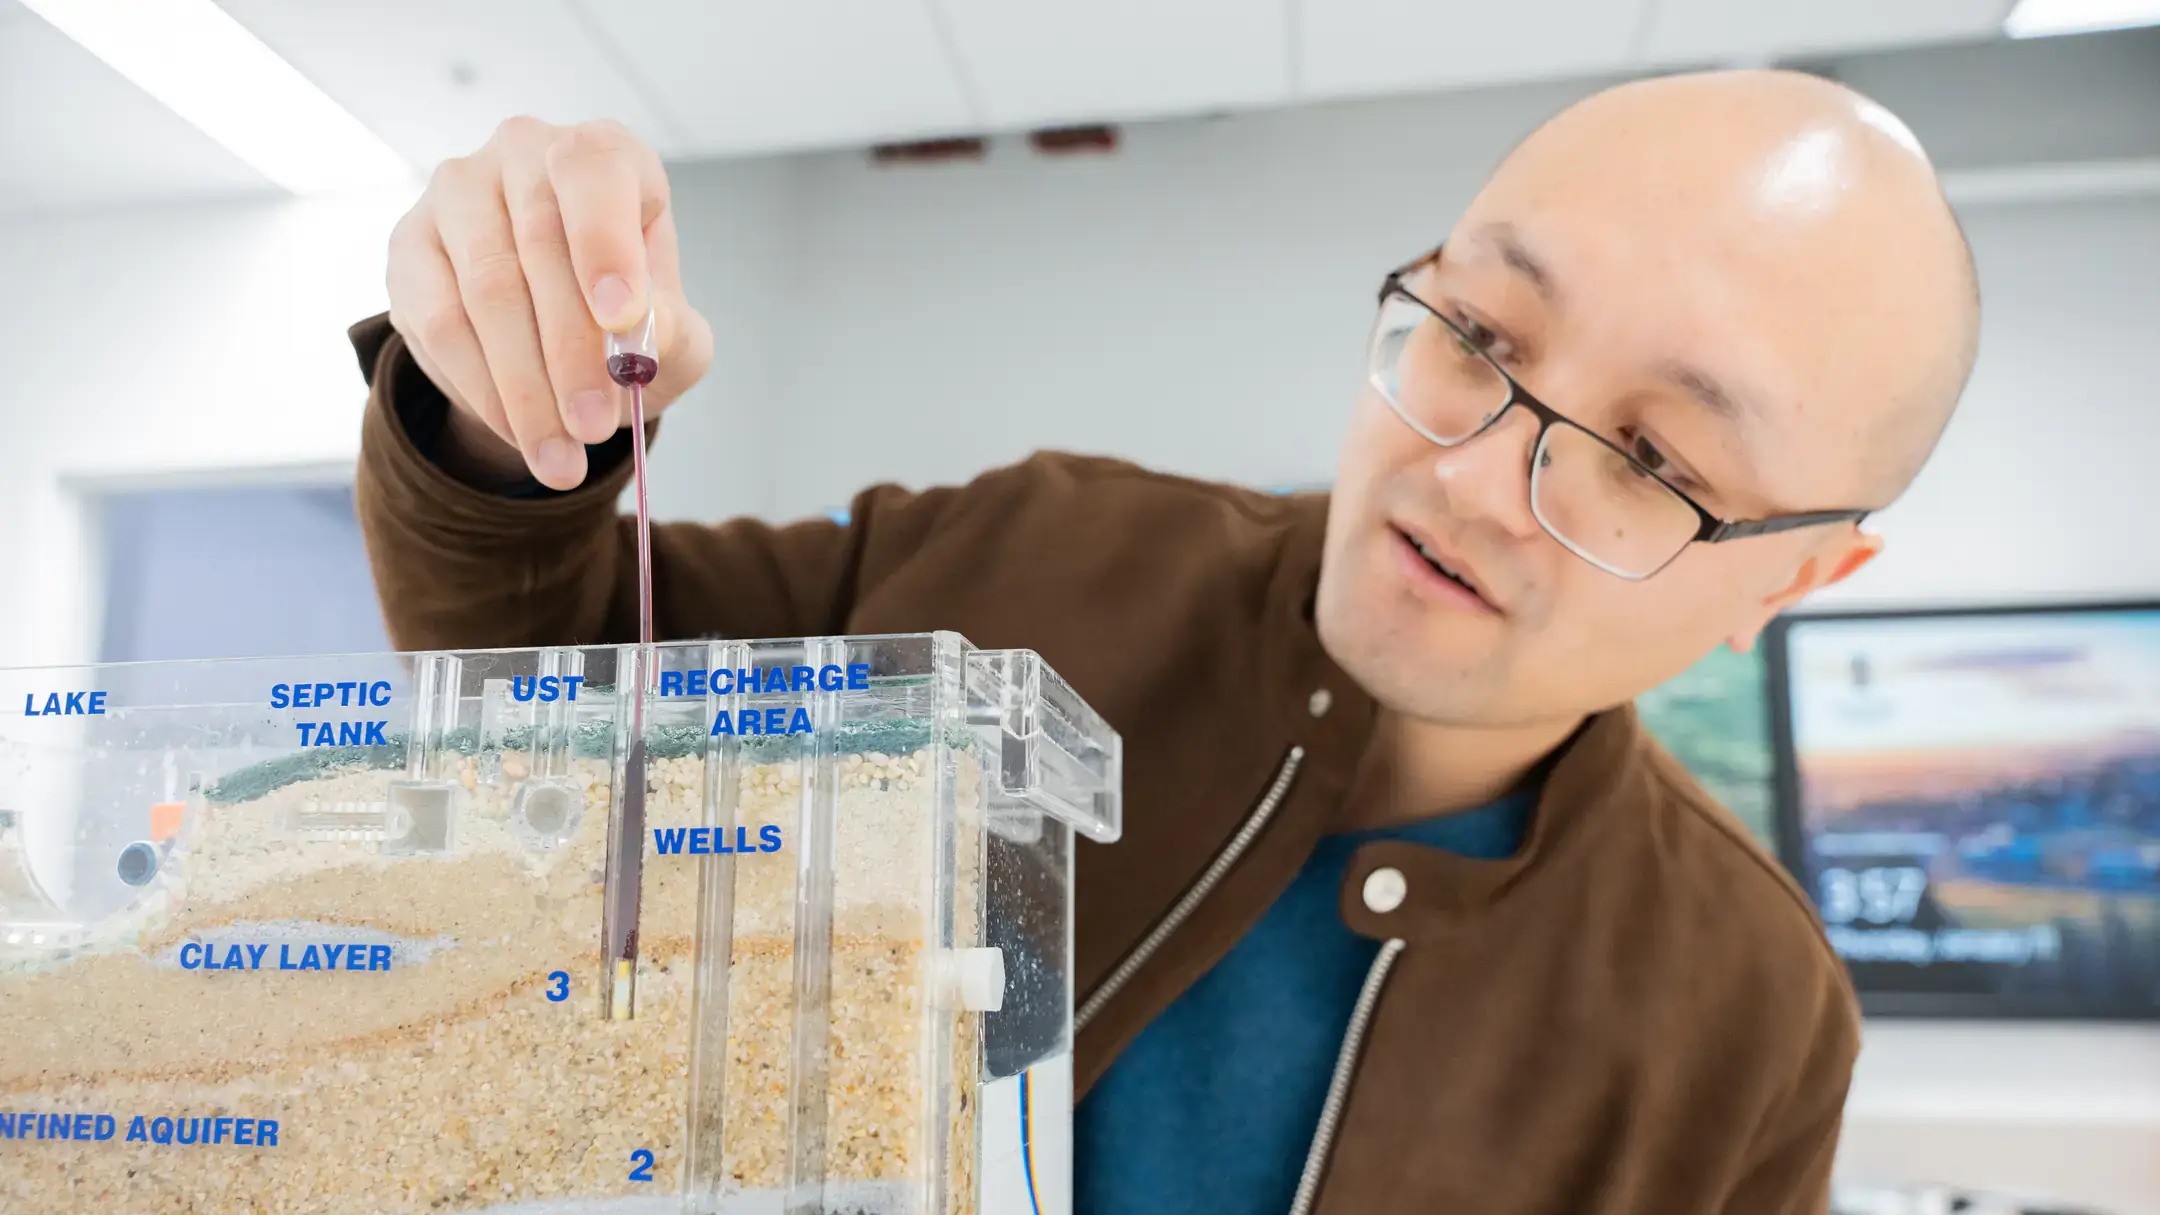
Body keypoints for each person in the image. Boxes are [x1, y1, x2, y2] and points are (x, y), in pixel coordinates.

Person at [353, 68, 1979, 1214]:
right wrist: (508, 403)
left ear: (1795, 578)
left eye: (1652, 461)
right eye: (1479, 333)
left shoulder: (1746, 1014)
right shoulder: (1026, 552)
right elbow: (535, 683)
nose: (1475, 477)